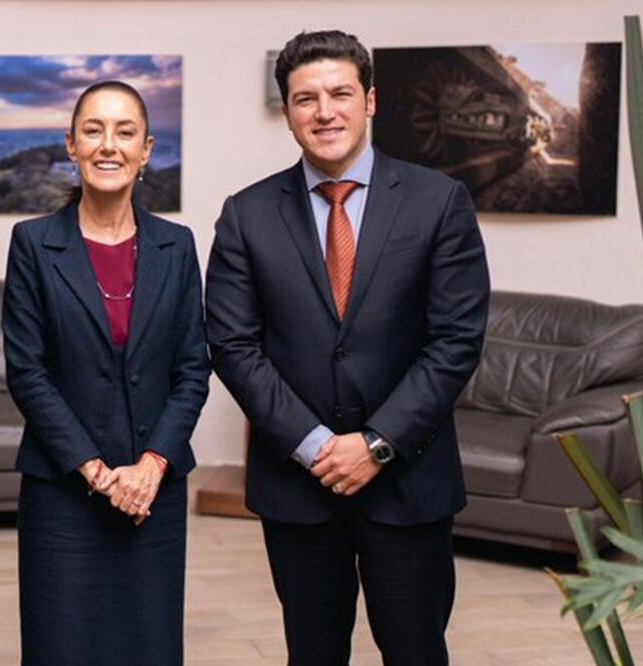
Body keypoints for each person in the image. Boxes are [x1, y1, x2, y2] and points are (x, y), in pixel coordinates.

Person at [205, 30, 490, 666]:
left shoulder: (439, 202)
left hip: (409, 483)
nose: (324, 111)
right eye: (305, 99)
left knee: (416, 650)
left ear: (370, 101)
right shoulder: (246, 214)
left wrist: (377, 443)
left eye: (339, 93)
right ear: (288, 112)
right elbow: (233, 345)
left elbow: (455, 341)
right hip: (298, 490)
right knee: (311, 652)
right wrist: (314, 446)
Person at [3, 80, 209, 665]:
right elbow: (28, 372)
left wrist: (152, 466)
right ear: (71, 145)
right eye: (93, 130)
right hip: (63, 492)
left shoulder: (178, 245)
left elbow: (194, 368)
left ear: (147, 149)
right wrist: (96, 472)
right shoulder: (34, 244)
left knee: (150, 646)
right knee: (60, 646)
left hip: (155, 492)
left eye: (125, 132)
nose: (108, 145)